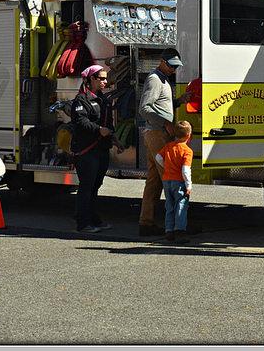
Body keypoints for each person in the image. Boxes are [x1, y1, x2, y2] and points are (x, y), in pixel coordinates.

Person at [137, 47, 192, 236]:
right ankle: (177, 226)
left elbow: (159, 104)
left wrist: (178, 101)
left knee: (154, 181)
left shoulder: (163, 78)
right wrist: (166, 122)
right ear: (162, 62)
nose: (174, 70)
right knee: (173, 179)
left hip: (156, 133)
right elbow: (144, 108)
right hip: (157, 134)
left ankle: (146, 222)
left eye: (176, 67)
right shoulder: (154, 79)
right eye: (171, 66)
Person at [70, 64, 124, 233]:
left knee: (95, 186)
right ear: (91, 79)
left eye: (106, 78)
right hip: (86, 151)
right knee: (86, 187)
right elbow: (80, 122)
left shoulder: (103, 99)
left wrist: (114, 139)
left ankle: (93, 219)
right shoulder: (81, 100)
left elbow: (108, 123)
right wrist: (98, 130)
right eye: (101, 79)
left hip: (101, 149)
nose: (105, 82)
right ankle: (83, 223)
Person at [155, 121, 193, 244]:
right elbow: (185, 170)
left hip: (167, 180)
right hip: (179, 181)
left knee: (169, 206)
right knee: (181, 206)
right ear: (189, 135)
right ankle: (180, 231)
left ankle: (169, 231)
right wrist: (188, 185)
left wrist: (166, 166)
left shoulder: (168, 146)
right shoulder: (187, 150)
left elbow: (158, 158)